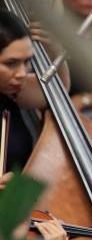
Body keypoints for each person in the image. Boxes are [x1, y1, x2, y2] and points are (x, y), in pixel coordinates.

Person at [0, 10, 70, 178]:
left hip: (18, 198)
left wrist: (56, 52)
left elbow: (57, 91)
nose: (22, 73)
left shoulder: (10, 91)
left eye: (27, 61)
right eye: (11, 63)